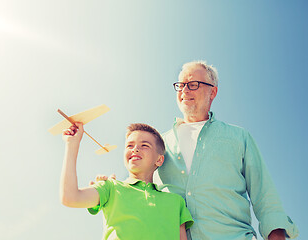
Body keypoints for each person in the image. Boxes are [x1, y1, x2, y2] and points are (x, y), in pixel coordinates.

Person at [155, 60, 299, 240]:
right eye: (180, 85)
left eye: (193, 84)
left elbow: (265, 195)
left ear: (212, 91)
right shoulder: (157, 144)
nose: (184, 90)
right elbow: (140, 190)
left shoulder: (238, 137)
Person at [60, 122, 194, 240]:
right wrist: (72, 145)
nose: (135, 149)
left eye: (144, 145)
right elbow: (70, 197)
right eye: (130, 145)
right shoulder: (110, 187)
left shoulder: (176, 202)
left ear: (159, 160)